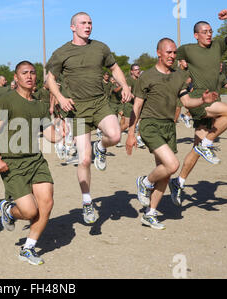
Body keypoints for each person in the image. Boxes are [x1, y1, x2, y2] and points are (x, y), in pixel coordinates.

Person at [46, 12, 132, 224]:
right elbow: (50, 78)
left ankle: (100, 148)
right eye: (83, 23)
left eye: (90, 23)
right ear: (72, 27)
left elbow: (114, 68)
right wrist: (59, 97)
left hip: (100, 103)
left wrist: (125, 85)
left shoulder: (101, 47)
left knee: (114, 136)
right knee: (84, 160)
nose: (88, 26)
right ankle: (87, 202)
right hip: (77, 108)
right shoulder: (61, 52)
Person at [126, 38, 218, 229]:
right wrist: (131, 133)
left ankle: (150, 213)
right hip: (151, 125)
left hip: (169, 127)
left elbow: (186, 102)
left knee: (166, 174)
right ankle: (144, 181)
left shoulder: (179, 76)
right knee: (172, 165)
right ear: (158, 53)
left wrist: (201, 100)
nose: (172, 56)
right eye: (168, 52)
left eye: (174, 52)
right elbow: (137, 105)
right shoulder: (147, 76)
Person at [0, 61, 63, 265]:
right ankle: (9, 210)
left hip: (36, 161)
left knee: (46, 203)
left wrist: (62, 133)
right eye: (24, 73)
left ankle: (28, 248)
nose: (29, 76)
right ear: (16, 77)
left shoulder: (39, 104)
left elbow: (50, 135)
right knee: (30, 211)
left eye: (32, 73)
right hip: (12, 163)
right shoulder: (7, 100)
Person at [169, 9, 227, 206]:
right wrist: (178, 72)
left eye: (210, 30)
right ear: (196, 35)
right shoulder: (187, 49)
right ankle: (207, 144)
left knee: (195, 150)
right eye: (204, 31)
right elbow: (168, 57)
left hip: (212, 99)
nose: (209, 33)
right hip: (198, 98)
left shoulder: (218, 45)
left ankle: (178, 182)